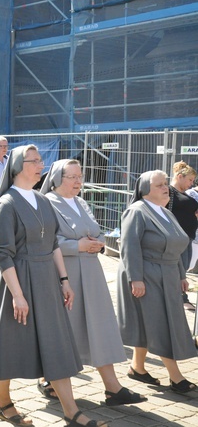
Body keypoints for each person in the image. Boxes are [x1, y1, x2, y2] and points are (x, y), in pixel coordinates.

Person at [0, 145, 105, 427]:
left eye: (41, 160)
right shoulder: (6, 204)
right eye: (34, 161)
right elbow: (1, 254)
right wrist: (18, 295)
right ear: (17, 166)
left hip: (47, 280)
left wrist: (64, 280)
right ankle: (2, 402)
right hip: (18, 280)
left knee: (56, 342)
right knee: (10, 343)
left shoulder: (43, 200)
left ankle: (71, 411)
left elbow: (52, 245)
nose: (41, 165)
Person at [40, 160, 145, 406]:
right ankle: (51, 379)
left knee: (98, 327)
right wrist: (77, 245)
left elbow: (95, 230)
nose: (78, 182)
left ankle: (112, 387)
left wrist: (96, 242)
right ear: (57, 178)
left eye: (80, 176)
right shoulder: (47, 203)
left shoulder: (81, 202)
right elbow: (45, 240)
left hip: (91, 272)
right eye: (72, 177)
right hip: (66, 274)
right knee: (67, 329)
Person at [117, 170, 196, 393]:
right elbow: (129, 247)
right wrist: (136, 279)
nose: (166, 188)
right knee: (161, 325)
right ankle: (176, 377)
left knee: (148, 322)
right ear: (145, 190)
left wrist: (181, 275)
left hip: (167, 274)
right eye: (160, 185)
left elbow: (176, 247)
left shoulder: (165, 213)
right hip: (147, 275)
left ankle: (137, 367)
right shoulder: (137, 211)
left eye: (165, 184)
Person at [166, 161, 198, 311]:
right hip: (176, 239)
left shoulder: (183, 194)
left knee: (183, 269)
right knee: (177, 270)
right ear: (180, 177)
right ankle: (179, 298)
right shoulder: (169, 192)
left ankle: (180, 297)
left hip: (187, 238)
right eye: (190, 180)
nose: (191, 184)